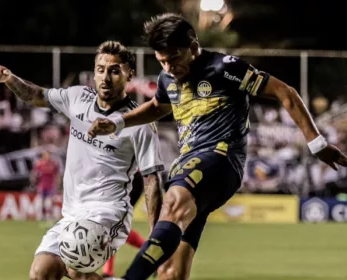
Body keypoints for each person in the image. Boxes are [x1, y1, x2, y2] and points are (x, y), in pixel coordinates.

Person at [88, 13, 347, 280]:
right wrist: (117, 122)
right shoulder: (167, 79)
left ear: (192, 46)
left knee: (173, 201)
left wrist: (317, 144)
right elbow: (157, 107)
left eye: (174, 58)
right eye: (161, 61)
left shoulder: (224, 68)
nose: (168, 67)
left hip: (220, 159)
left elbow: (285, 92)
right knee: (170, 273)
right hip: (193, 169)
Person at [0, 40, 164, 280]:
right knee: (43, 272)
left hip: (108, 213)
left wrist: (155, 242)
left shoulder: (140, 124)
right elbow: (37, 95)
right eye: (100, 70)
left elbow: (152, 181)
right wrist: (10, 79)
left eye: (114, 71)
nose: (105, 77)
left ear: (129, 75)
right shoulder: (77, 98)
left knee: (75, 265)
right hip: (72, 213)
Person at [102, 171, 156, 278]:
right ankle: (153, 252)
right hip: (125, 178)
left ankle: (108, 272)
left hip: (129, 179)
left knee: (113, 227)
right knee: (116, 228)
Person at [30, 150, 61, 221]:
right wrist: (34, 182)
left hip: (51, 185)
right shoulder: (39, 164)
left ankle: (51, 214)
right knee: (42, 201)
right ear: (43, 156)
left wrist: (58, 184)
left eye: (48, 155)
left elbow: (57, 174)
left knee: (51, 201)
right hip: (42, 185)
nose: (47, 156)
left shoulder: (54, 164)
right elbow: (34, 173)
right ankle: (43, 215)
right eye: (46, 155)